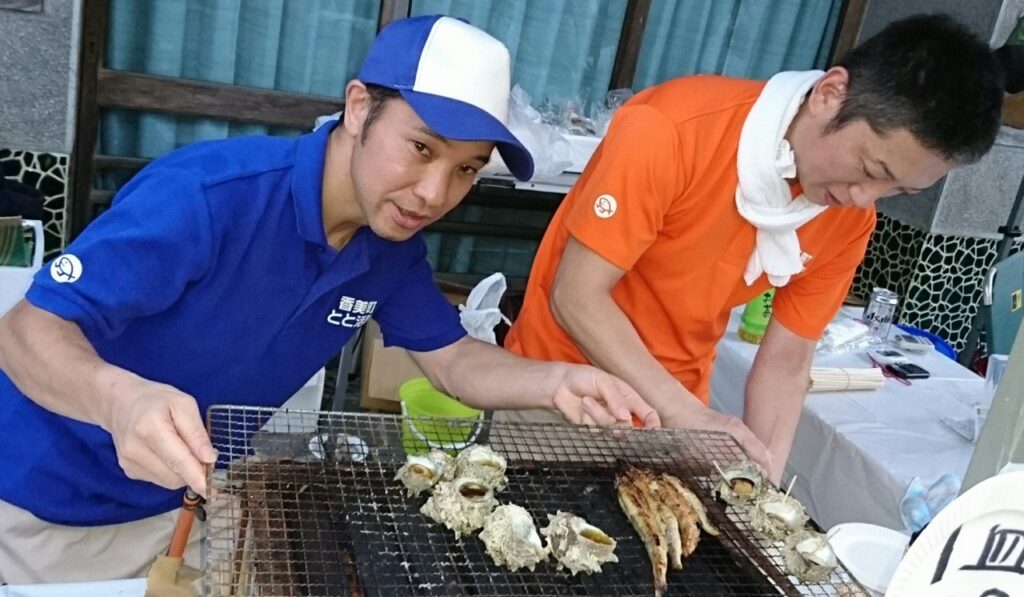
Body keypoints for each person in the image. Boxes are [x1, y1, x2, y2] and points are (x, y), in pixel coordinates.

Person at [0, 15, 659, 584]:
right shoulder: (209, 196)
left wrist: (558, 381)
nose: (434, 194)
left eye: (466, 168)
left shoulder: (391, 246)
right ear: (359, 108)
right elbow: (26, 330)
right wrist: (120, 401)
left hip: (196, 499)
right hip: (59, 502)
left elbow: (454, 360)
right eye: (421, 148)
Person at [502, 13, 1004, 484]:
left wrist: (762, 480)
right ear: (830, 93)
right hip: (563, 390)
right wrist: (682, 412)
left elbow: (787, 361)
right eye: (872, 169)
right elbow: (577, 296)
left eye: (900, 191)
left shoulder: (849, 220)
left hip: (678, 413)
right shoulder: (673, 129)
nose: (864, 198)